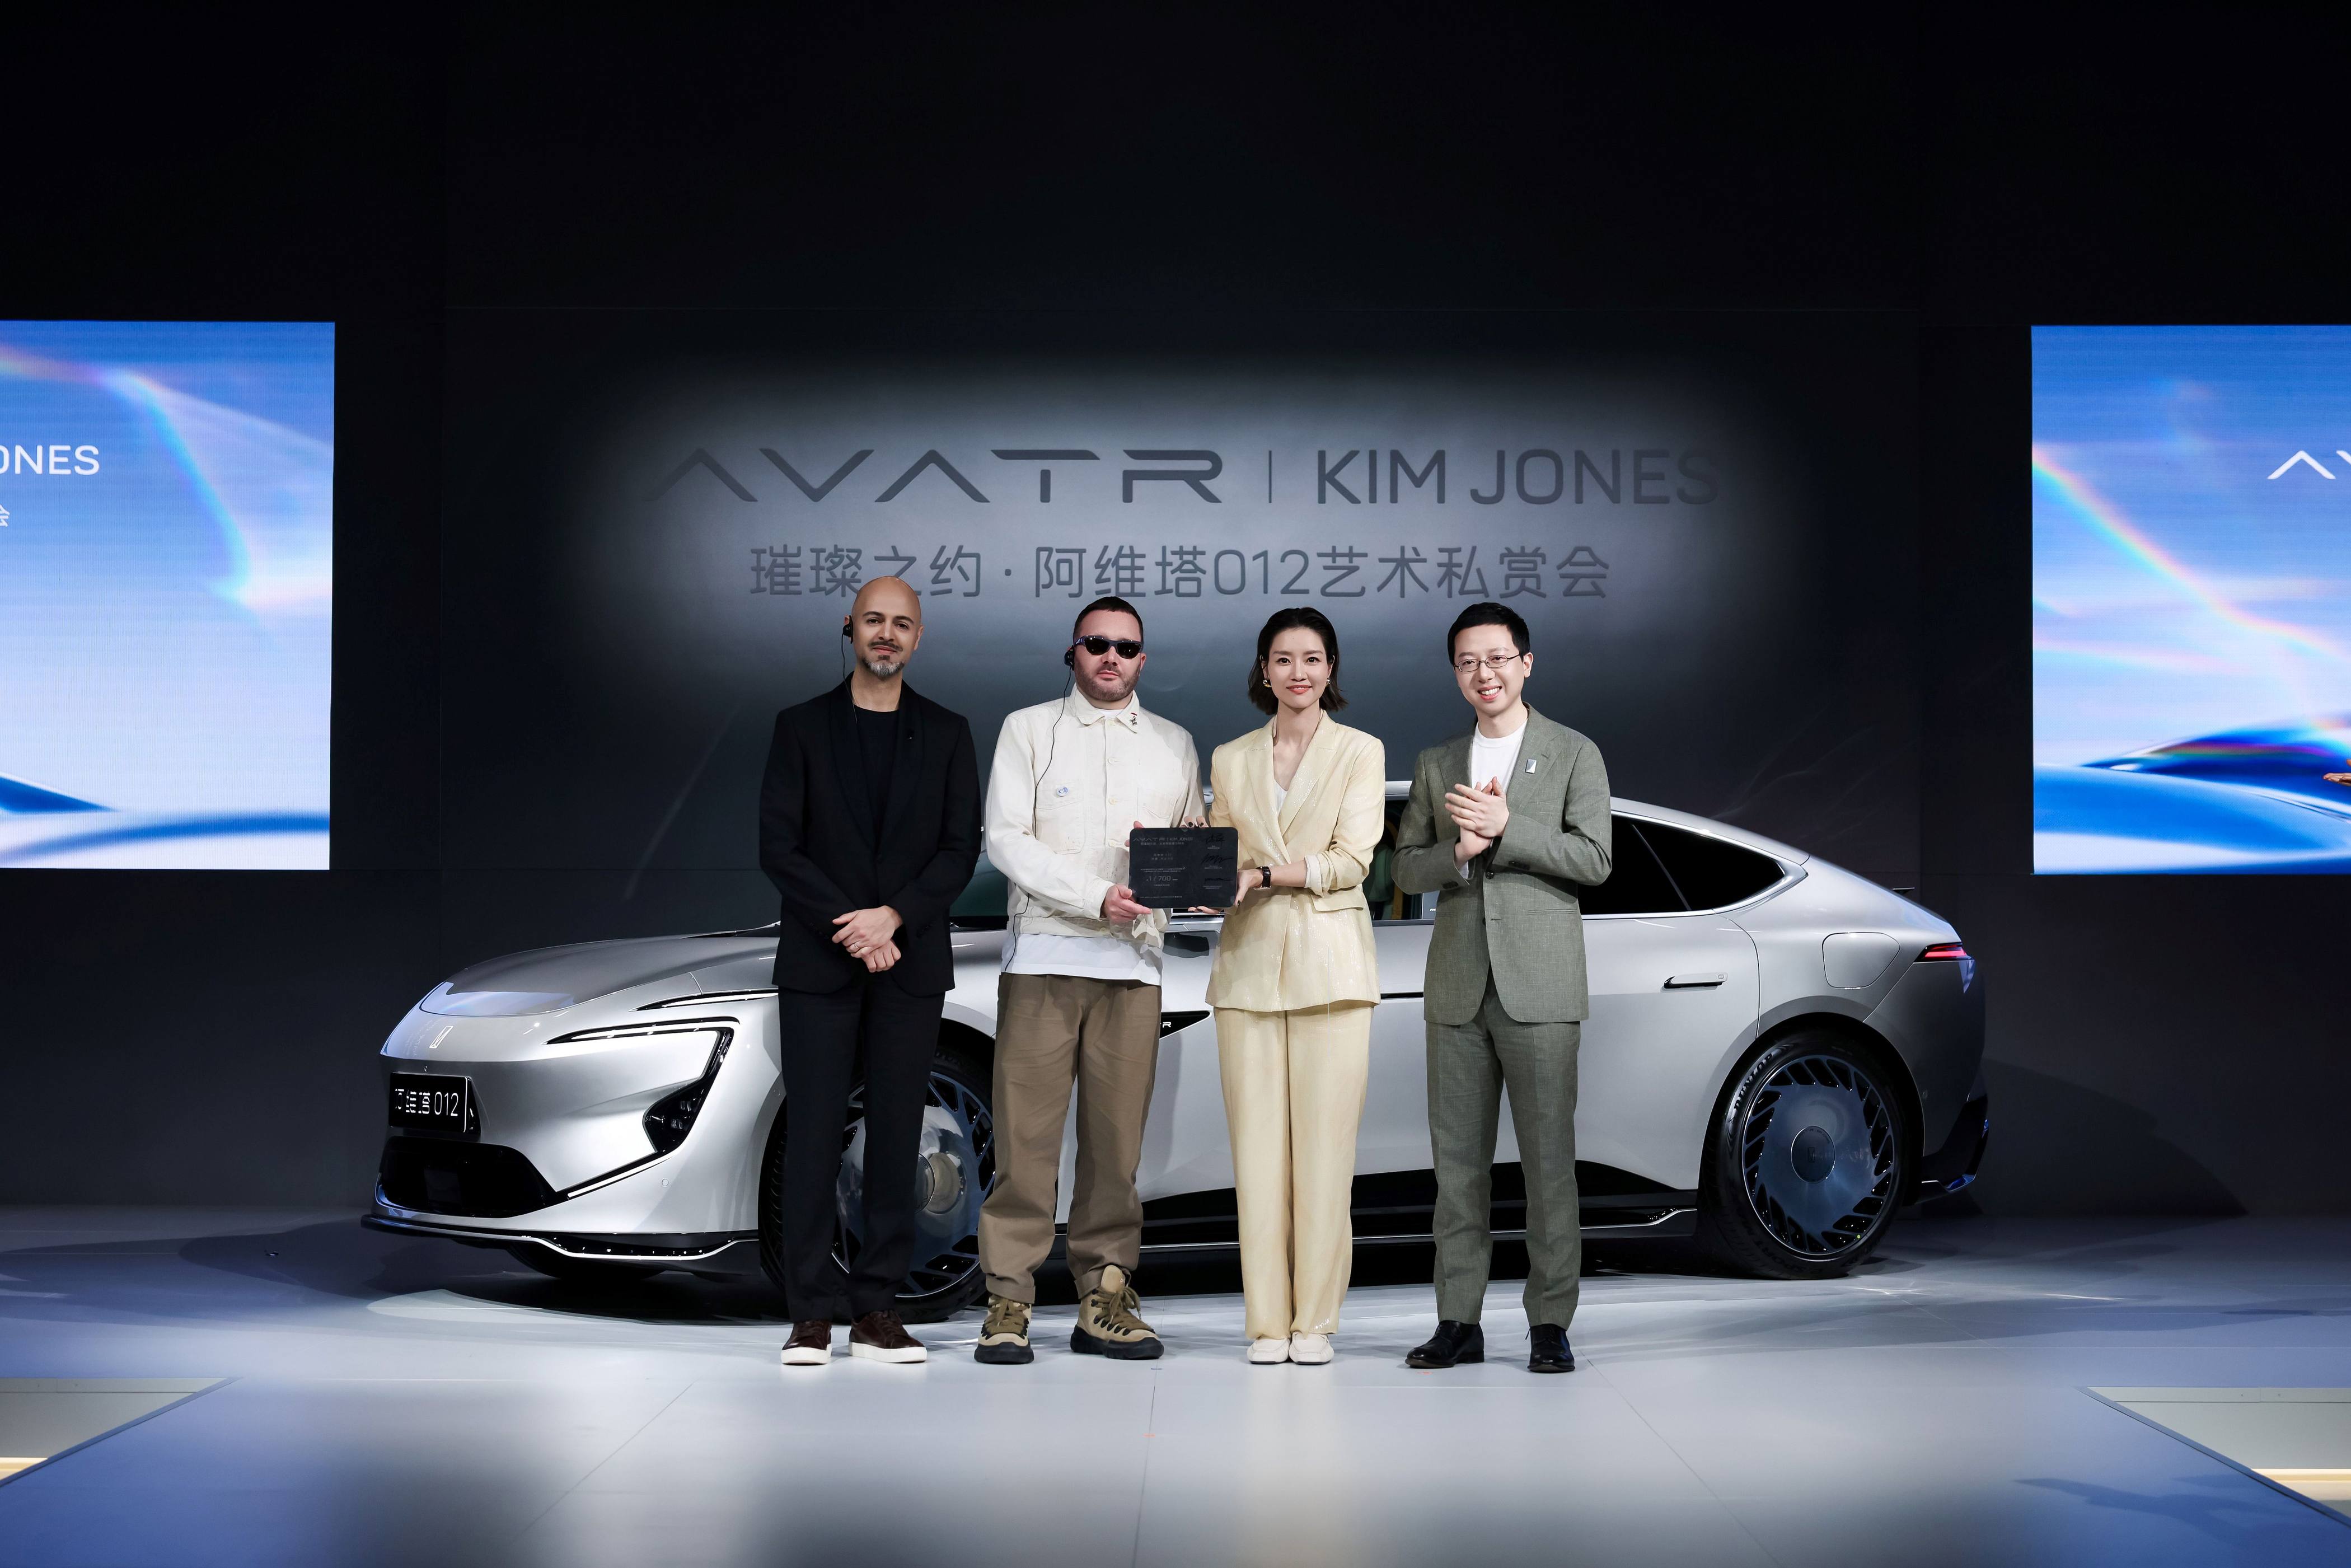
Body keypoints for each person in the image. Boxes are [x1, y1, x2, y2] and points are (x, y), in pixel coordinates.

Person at [973, 596, 1203, 1364]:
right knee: (1025, 1144)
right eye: (1097, 643)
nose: (1112, 657)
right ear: (1072, 652)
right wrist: (1095, 894)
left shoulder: (1174, 744)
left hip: (1133, 966)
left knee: (1116, 1150)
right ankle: (1009, 1298)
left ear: (1143, 659)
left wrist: (1185, 867)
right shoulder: (1028, 729)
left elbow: (1189, 852)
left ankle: (1105, 1294)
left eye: (1126, 647)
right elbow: (1007, 840)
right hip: (1044, 956)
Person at [758, 576, 981, 1366]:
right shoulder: (800, 727)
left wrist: (894, 918)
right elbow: (780, 848)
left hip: (908, 961)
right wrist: (855, 926)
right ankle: (810, 1314)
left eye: (902, 624)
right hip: (820, 962)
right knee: (814, 1136)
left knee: (896, 1136)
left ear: (919, 637)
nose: (887, 634)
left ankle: (878, 1310)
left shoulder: (948, 732)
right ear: (849, 627)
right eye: (874, 620)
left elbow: (959, 849)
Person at [1391, 601, 1610, 1375]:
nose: (1483, 673)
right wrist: (1458, 850)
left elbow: (1595, 860)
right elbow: (1403, 867)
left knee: (1549, 1167)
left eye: (1496, 658)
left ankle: (1550, 1322)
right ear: (1456, 673)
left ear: (1526, 663)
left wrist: (1507, 828)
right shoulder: (1437, 761)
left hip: (1540, 986)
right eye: (1467, 662)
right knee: (1457, 1170)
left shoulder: (1573, 752)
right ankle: (1459, 1320)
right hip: (1457, 985)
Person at [1205, 606, 1386, 1365]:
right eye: (1284, 659)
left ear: (1330, 668)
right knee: (1256, 1159)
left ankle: (1314, 1322)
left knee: (1324, 1157)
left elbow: (1353, 860)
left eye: (1312, 658)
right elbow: (1221, 858)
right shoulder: (1230, 757)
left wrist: (1265, 874)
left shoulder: (1360, 751)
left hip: (1332, 968)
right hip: (1247, 968)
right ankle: (1267, 1324)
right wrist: (1192, 868)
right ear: (1264, 669)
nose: (1299, 672)